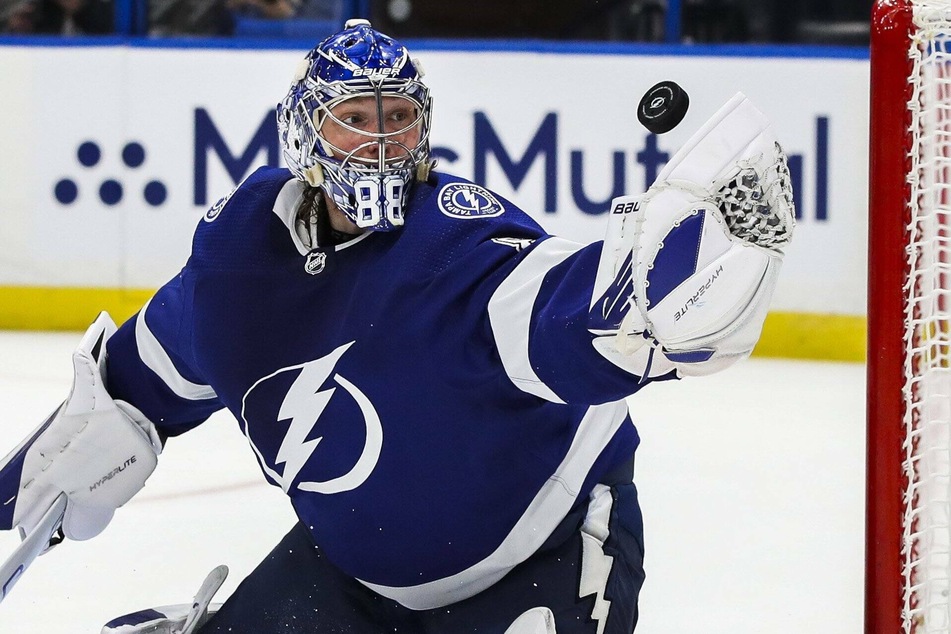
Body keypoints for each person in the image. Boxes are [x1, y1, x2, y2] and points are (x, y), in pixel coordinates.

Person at [0, 19, 794, 633]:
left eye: (399, 118)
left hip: (539, 557)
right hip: (349, 579)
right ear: (306, 135)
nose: (380, 141)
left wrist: (640, 301)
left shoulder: (455, 246)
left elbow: (557, 311)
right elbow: (135, 385)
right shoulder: (239, 260)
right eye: (353, 118)